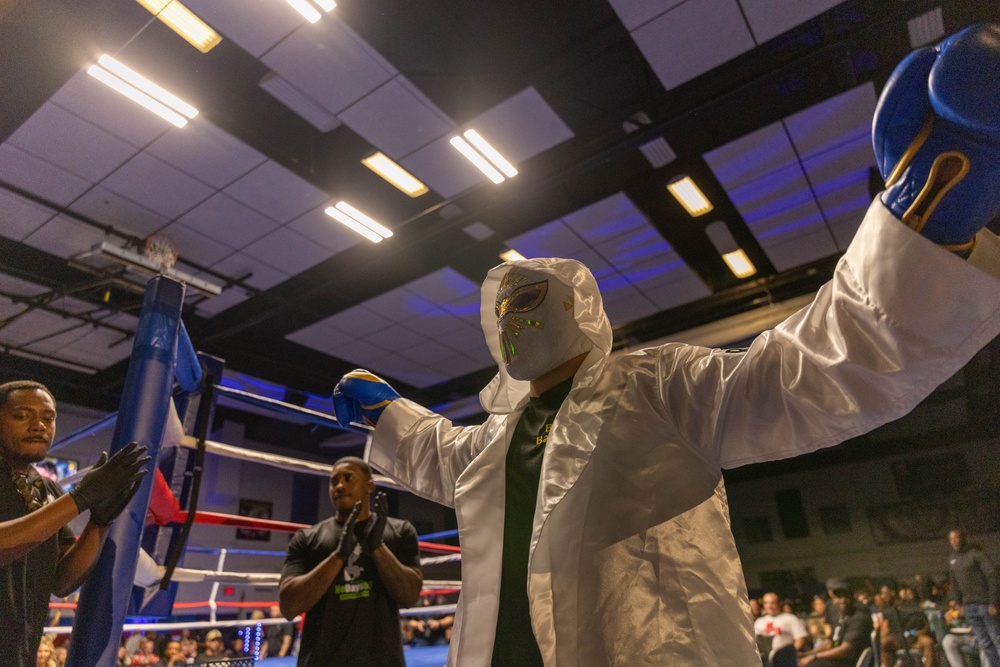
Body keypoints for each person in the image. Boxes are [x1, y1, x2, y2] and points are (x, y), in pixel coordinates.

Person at [333, 23, 1000, 666]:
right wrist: (384, 406)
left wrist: (923, 223)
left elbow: (801, 377)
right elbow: (436, 452)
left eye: (530, 302)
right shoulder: (497, 440)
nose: (511, 322)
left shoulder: (654, 387)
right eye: (501, 312)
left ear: (580, 310)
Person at [0, 381, 149, 667]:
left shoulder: (46, 490)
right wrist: (79, 498)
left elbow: (63, 581)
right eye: (22, 416)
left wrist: (99, 522)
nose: (38, 426)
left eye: (48, 417)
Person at [278, 457, 422, 667]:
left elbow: (410, 597)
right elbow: (289, 608)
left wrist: (378, 548)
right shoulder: (307, 539)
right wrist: (338, 557)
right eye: (334, 481)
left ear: (369, 486)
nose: (340, 486)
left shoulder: (400, 532)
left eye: (348, 478)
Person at [948, 529, 1000, 666]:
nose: (954, 541)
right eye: (951, 539)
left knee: (997, 639)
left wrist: (993, 602)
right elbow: (954, 583)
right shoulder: (952, 560)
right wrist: (959, 604)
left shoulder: (976, 554)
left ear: (962, 538)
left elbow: (993, 575)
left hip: (985, 604)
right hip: (969, 606)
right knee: (985, 643)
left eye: (956, 537)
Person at [799, 582, 874, 666]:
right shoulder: (840, 618)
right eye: (839, 597)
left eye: (846, 596)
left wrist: (815, 656)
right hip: (838, 660)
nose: (843, 600)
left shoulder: (858, 618)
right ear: (834, 600)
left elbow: (845, 650)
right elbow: (829, 643)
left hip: (849, 662)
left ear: (852, 598)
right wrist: (808, 654)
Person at [754, 592, 809, 663]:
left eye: (772, 603)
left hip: (786, 660)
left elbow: (800, 638)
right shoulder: (759, 622)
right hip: (765, 660)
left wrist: (790, 654)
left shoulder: (790, 618)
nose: (770, 606)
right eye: (766, 603)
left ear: (779, 603)